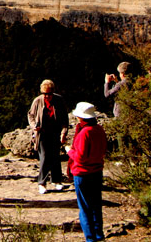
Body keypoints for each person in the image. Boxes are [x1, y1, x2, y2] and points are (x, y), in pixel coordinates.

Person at [65, 102, 108, 242]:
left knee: (84, 207)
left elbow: (80, 157)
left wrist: (69, 151)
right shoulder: (99, 129)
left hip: (83, 173)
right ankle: (99, 234)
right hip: (97, 171)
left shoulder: (84, 133)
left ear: (81, 117)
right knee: (96, 205)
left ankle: (90, 238)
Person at [27, 79, 69, 194]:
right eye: (44, 94)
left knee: (55, 156)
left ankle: (57, 181)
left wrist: (64, 132)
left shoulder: (59, 100)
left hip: (55, 132)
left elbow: (65, 118)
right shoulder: (38, 101)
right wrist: (33, 126)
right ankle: (42, 182)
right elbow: (31, 115)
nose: (47, 96)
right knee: (45, 157)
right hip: (41, 133)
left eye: (49, 94)